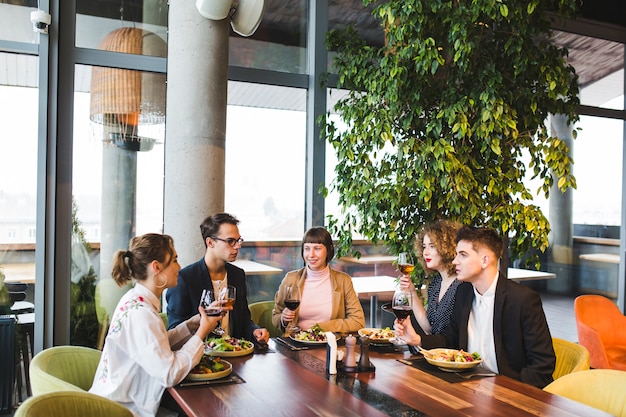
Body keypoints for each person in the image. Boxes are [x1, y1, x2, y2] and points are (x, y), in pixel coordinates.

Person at [394, 226, 556, 388]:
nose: (455, 260)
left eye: (463, 255)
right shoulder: (464, 292)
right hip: (468, 385)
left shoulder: (522, 300)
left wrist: (507, 393)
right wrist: (417, 340)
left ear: (485, 260)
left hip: (509, 393)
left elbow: (543, 365)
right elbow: (450, 340)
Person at [89, 233, 224, 417]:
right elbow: (170, 373)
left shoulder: (136, 299)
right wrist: (201, 333)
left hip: (121, 400)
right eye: (175, 260)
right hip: (123, 410)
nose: (179, 267)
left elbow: (154, 347)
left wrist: (192, 325)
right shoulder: (142, 314)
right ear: (156, 267)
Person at [166, 213, 270, 346]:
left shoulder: (237, 275)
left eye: (239, 240)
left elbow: (243, 319)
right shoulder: (184, 279)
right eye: (230, 241)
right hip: (199, 357)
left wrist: (255, 331)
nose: (237, 246)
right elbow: (175, 331)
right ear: (210, 242)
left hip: (235, 354)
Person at [272, 227, 365, 334]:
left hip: (330, 344)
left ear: (329, 249)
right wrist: (283, 319)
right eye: (307, 249)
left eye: (317, 248)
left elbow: (358, 321)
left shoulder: (343, 281)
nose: (311, 255)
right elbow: (276, 316)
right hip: (296, 343)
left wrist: (321, 327)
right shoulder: (291, 279)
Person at [402, 220, 468, 335]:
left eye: (432, 246)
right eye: (424, 247)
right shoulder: (436, 283)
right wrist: (410, 292)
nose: (425, 253)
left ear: (447, 248)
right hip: (434, 350)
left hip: (452, 352)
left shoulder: (463, 285)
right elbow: (429, 328)